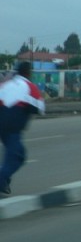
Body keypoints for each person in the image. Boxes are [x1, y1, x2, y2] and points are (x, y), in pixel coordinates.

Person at [0, 62, 45, 196]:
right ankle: (2, 180)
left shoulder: (6, 84)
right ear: (28, 73)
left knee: (12, 155)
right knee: (18, 157)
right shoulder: (29, 87)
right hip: (12, 127)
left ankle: (4, 181)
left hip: (3, 125)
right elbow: (41, 108)